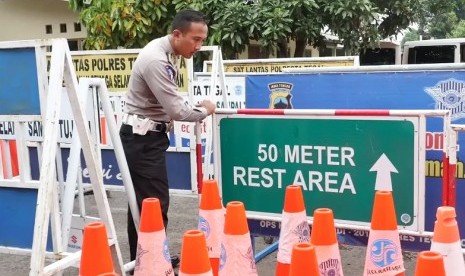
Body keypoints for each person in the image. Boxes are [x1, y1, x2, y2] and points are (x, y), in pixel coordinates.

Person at [119, 9, 216, 268]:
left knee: (143, 204)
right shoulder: (156, 60)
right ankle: (150, 265)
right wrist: (205, 109)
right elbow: (177, 110)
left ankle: (145, 260)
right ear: (177, 34)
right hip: (143, 139)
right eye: (195, 39)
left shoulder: (169, 53)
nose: (199, 45)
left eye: (203, 40)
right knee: (153, 204)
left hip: (147, 138)